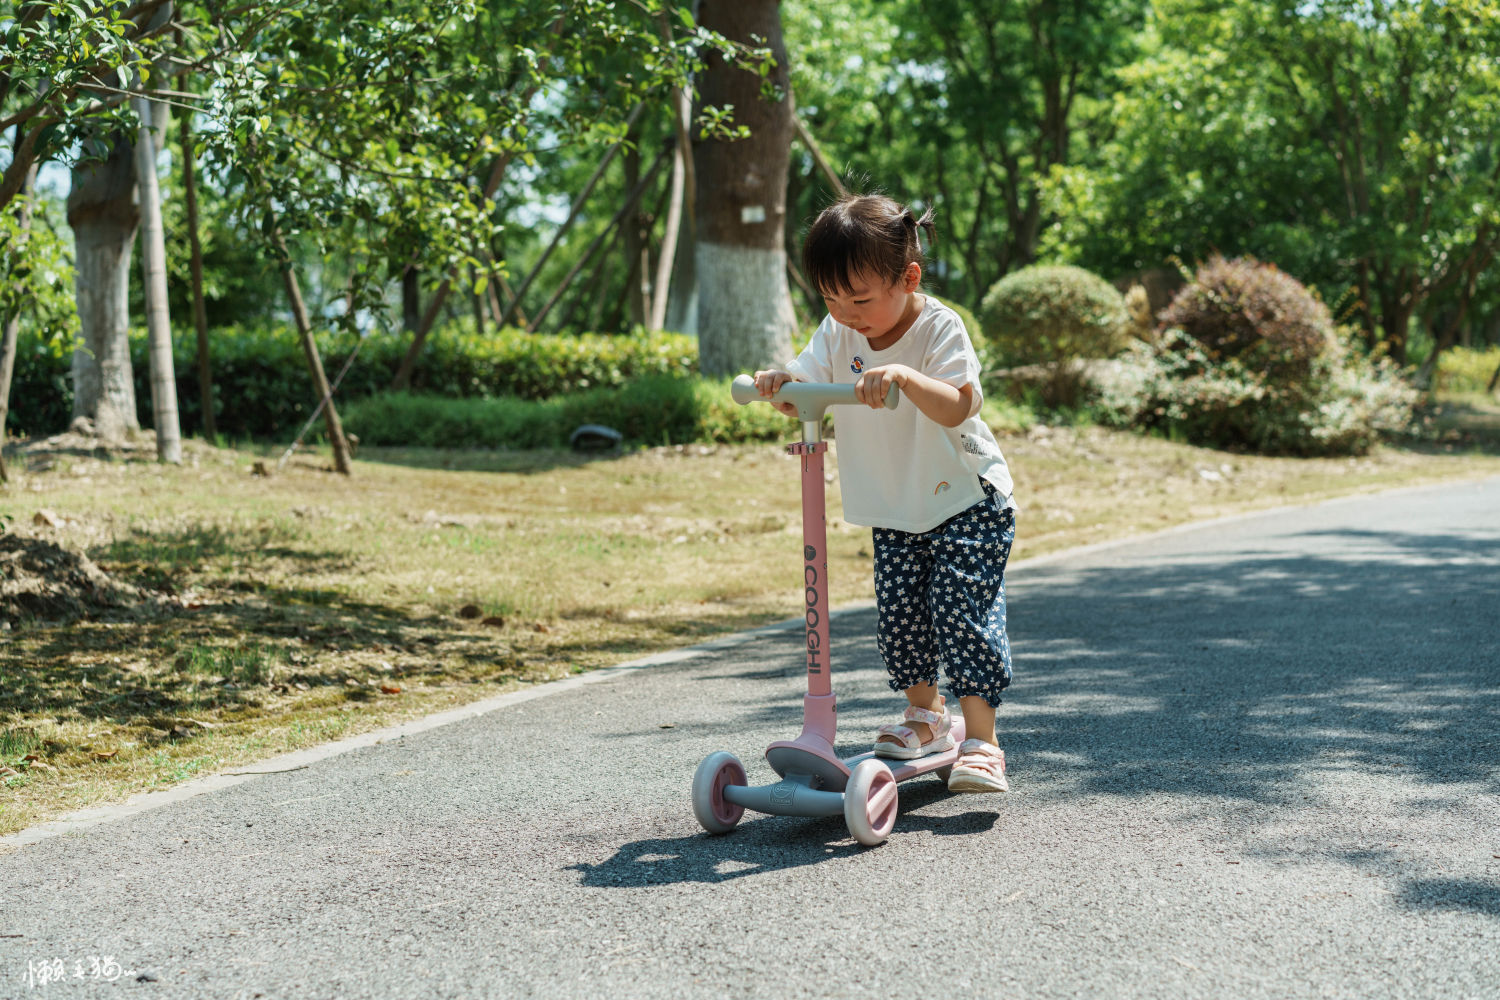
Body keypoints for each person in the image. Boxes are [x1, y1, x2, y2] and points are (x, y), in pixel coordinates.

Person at [754, 192, 1017, 794]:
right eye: (831, 297)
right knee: (899, 617)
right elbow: (804, 386)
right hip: (897, 506)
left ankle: (981, 741)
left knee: (959, 609)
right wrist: (780, 382)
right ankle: (926, 718)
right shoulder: (838, 332)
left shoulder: (938, 327)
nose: (846, 313)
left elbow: (959, 404)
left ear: (909, 277)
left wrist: (902, 376)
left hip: (965, 500)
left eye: (861, 299)